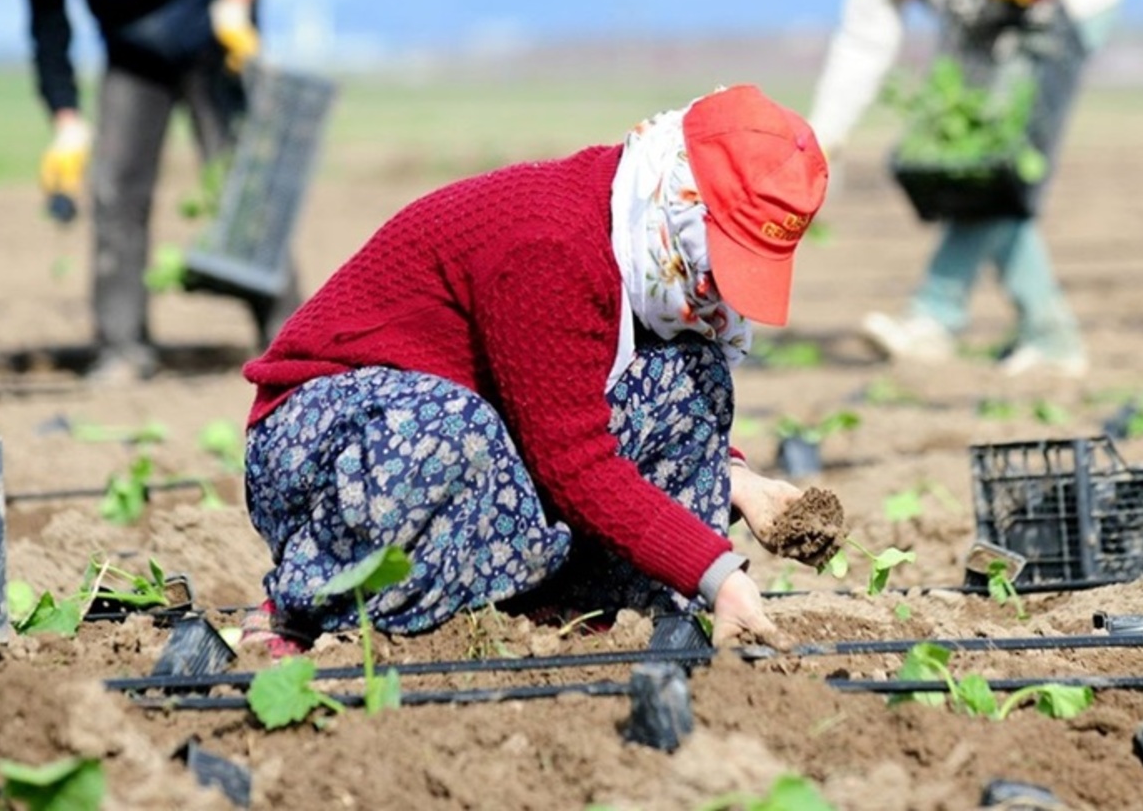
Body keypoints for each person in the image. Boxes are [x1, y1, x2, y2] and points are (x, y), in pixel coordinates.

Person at [235, 85, 828, 650]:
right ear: (683, 202)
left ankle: (582, 608)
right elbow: (574, 461)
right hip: (326, 447)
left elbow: (614, 395)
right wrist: (718, 573)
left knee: (689, 373)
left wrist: (737, 479)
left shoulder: (639, 237)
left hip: (478, 436)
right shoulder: (553, 247)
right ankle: (304, 608)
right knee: (452, 427)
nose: (717, 283)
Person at [780, 0, 1125, 377]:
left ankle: (941, 319)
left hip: (1065, 5)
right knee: (983, 170)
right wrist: (824, 136)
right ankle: (1042, 334)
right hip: (994, 39)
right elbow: (865, 40)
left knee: (994, 170)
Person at [16, 0, 270, 382]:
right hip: (134, 61)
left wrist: (237, 4)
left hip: (212, 45)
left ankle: (285, 336)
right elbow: (49, 31)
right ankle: (122, 347)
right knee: (114, 192)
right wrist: (65, 118)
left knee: (244, 192)